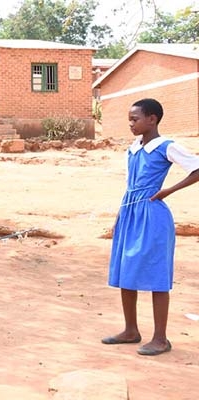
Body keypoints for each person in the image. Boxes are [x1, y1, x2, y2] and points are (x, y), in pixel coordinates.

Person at [102, 98, 199, 356]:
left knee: (157, 275)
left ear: (152, 119)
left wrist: (168, 190)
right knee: (126, 270)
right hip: (130, 212)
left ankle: (160, 338)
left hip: (152, 215)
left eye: (135, 119)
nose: (130, 124)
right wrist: (120, 215)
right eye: (129, 119)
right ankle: (131, 330)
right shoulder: (133, 148)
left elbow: (197, 168)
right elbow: (130, 184)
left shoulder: (166, 146)